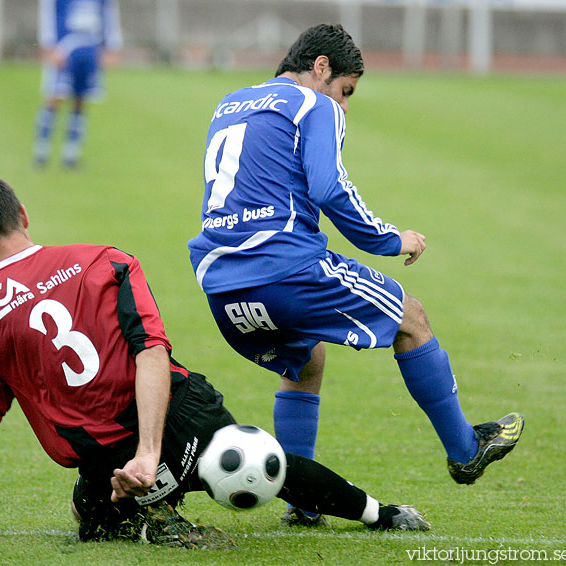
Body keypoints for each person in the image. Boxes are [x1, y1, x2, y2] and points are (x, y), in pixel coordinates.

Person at [0, 176, 429, 545]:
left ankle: (154, 508)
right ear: (22, 215)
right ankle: (383, 514)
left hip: (111, 465)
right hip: (180, 420)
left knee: (94, 516)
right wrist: (152, 449)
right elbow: (150, 350)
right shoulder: (103, 259)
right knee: (259, 461)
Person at [187, 24, 524, 526]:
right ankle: (465, 449)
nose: (343, 106)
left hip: (221, 285)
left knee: (304, 362)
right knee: (411, 318)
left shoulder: (230, 103)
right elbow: (329, 188)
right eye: (346, 92)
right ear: (320, 67)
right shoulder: (313, 104)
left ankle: (303, 503)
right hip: (286, 269)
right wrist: (393, 239)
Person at [33, 0, 122, 168]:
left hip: (91, 48)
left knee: (81, 99)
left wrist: (112, 46)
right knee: (55, 97)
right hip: (64, 49)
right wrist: (49, 45)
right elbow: (48, 11)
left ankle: (71, 155)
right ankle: (41, 152)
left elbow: (109, 13)